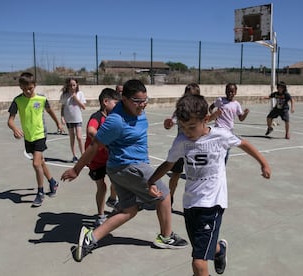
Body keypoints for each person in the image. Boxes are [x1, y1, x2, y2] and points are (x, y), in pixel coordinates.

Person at [61, 79, 188, 262]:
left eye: (145, 100)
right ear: (125, 99)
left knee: (129, 210)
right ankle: (166, 237)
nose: (143, 105)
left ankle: (91, 238)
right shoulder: (116, 121)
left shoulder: (138, 111)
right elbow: (95, 146)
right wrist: (76, 169)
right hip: (129, 166)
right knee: (164, 194)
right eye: (137, 101)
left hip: (121, 168)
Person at [148, 94, 271, 276]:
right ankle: (219, 249)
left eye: (191, 127)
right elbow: (168, 164)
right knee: (202, 248)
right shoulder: (181, 141)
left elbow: (243, 143)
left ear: (206, 120)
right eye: (183, 127)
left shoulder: (220, 136)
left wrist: (263, 163)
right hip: (190, 204)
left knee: (198, 262)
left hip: (212, 203)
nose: (187, 132)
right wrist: (151, 181)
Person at [7, 72, 63, 207]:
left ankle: (40, 192)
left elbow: (50, 111)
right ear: (20, 87)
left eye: (30, 88)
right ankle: (53, 183)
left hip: (40, 135)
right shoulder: (17, 100)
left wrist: (58, 123)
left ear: (35, 85)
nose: (27, 91)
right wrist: (14, 128)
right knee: (41, 162)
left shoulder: (41, 99)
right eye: (24, 89)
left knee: (36, 164)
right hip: (28, 137)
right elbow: (10, 120)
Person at [85, 88, 121, 227]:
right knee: (102, 186)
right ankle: (100, 215)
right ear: (105, 102)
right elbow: (91, 131)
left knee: (117, 181)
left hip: (109, 157)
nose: (118, 106)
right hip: (95, 158)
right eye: (115, 103)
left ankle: (112, 200)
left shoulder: (114, 118)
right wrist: (104, 144)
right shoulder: (97, 117)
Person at [163, 83, 201, 208]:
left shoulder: (200, 109)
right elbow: (170, 124)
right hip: (181, 146)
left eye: (193, 96)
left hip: (196, 148)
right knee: (175, 174)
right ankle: (170, 198)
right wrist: (168, 124)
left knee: (196, 177)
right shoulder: (179, 110)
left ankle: (196, 202)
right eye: (188, 95)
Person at [208, 82, 249, 163]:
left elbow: (241, 118)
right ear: (225, 91)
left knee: (226, 152)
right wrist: (214, 116)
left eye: (232, 91)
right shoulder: (220, 100)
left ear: (235, 92)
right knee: (216, 151)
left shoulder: (236, 104)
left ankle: (222, 169)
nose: (230, 93)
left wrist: (246, 113)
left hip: (229, 131)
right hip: (218, 129)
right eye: (228, 91)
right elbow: (211, 107)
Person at [60, 78, 86, 163]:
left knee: (79, 137)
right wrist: (62, 117)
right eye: (70, 85)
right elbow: (63, 107)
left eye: (74, 85)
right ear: (68, 85)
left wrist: (76, 99)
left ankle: (83, 155)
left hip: (77, 118)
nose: (72, 87)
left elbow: (83, 106)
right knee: (72, 137)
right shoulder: (65, 95)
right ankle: (74, 156)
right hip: (69, 119)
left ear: (77, 85)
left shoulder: (80, 94)